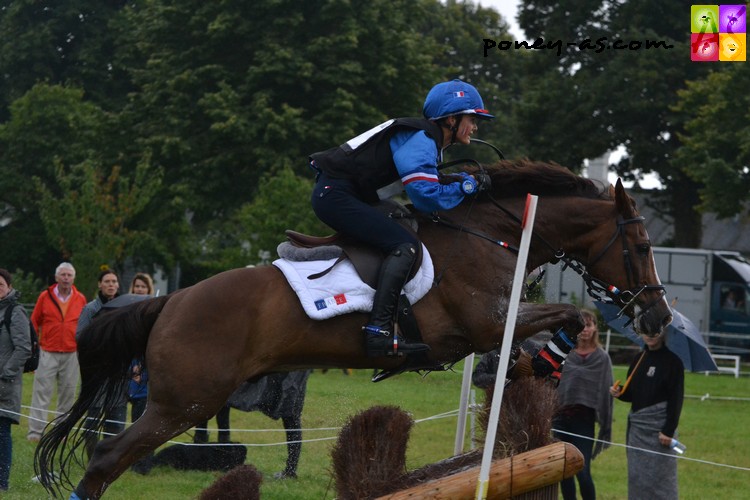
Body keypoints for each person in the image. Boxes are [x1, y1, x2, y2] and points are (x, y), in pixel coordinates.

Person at [309, 79, 494, 357]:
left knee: (406, 225)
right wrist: (465, 187)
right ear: (452, 119)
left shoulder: (424, 139)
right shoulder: (422, 138)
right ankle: (379, 331)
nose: (476, 126)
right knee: (405, 245)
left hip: (343, 193)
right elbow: (424, 195)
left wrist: (458, 180)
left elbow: (426, 186)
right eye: (472, 118)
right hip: (336, 196)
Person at [610, 331, 684, 500]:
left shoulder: (673, 362)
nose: (650, 335)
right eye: (646, 331)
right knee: (637, 478)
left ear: (663, 333)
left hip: (659, 434)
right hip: (637, 432)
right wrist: (619, 392)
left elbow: (676, 399)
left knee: (662, 480)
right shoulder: (639, 359)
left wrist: (668, 430)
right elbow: (631, 394)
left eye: (655, 331)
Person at [553, 309, 613, 500]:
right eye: (582, 325)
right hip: (559, 418)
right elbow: (553, 381)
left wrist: (606, 419)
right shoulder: (565, 353)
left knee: (583, 471)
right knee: (564, 471)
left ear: (595, 328)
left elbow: (606, 389)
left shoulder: (602, 358)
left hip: (583, 421)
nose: (585, 329)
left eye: (589, 325)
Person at [27, 262, 87, 442]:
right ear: (56, 277)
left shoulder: (80, 298)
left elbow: (84, 324)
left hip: (71, 352)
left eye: (69, 275)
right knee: (41, 392)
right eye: (63, 275)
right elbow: (33, 321)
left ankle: (60, 433)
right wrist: (34, 345)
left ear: (73, 278)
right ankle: (35, 432)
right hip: (47, 351)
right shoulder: (45, 296)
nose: (66, 278)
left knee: (68, 394)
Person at [76, 268, 127, 459]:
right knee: (93, 420)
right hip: (96, 373)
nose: (111, 285)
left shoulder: (125, 308)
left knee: (116, 419)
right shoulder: (90, 309)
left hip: (119, 372)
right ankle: (92, 459)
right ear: (100, 284)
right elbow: (80, 337)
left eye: (114, 281)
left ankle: (111, 460)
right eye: (107, 281)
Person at [0, 269, 32, 491]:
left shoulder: (15, 311)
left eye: (0, 284)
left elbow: (24, 349)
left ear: (8, 286)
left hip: (5, 385)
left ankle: (2, 483)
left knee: (1, 434)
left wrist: (5, 373)